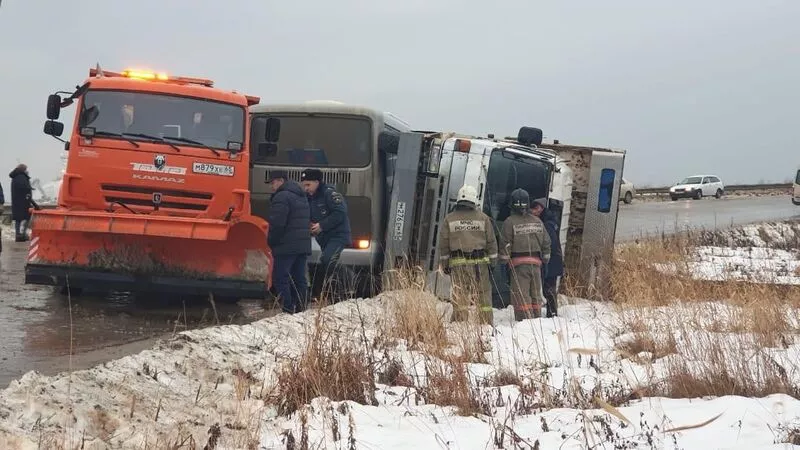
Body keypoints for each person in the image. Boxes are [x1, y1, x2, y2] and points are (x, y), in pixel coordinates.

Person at [438, 185, 498, 324]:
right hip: (480, 265)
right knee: (484, 296)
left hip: (458, 265)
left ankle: (459, 324)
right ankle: (486, 324)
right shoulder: (483, 218)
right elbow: (491, 242)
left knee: (460, 295)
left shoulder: (449, 219)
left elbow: (444, 244)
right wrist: (493, 263)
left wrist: (445, 265)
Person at [300, 168, 352, 301]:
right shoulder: (308, 197)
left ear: (317, 182)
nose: (306, 188)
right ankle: (338, 292)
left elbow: (340, 213)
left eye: (308, 185)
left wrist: (322, 225)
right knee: (327, 264)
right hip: (323, 237)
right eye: (304, 185)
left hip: (338, 235)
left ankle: (351, 280)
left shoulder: (329, 194)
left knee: (327, 260)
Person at [500, 189, 551, 321]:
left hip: (519, 266)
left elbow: (505, 244)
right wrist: (545, 259)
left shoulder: (509, 222)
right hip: (536, 265)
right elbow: (546, 241)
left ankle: (524, 321)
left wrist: (503, 262)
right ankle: (537, 319)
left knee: (521, 296)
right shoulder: (537, 221)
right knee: (535, 294)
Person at [266, 170, 312, 314]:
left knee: (280, 278)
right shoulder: (301, 195)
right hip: (302, 244)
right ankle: (301, 309)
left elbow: (277, 224)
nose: (271, 186)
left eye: (273, 182)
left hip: (286, 245)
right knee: (299, 278)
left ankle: (287, 309)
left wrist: (271, 241)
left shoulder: (282, 196)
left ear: (281, 181)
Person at [533, 197, 563, 317]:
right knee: (549, 287)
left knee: (549, 288)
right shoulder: (550, 220)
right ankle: (552, 311)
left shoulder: (547, 224)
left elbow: (550, 243)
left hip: (552, 261)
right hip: (554, 260)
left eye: (534, 209)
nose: (533, 212)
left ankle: (552, 313)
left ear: (540, 208)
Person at [9, 164, 38, 242]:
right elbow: (25, 190)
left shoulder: (16, 177)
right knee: (25, 218)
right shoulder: (21, 177)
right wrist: (31, 201)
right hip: (23, 202)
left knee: (18, 219)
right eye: (26, 169)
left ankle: (19, 234)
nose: (27, 171)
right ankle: (21, 235)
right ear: (23, 170)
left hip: (17, 202)